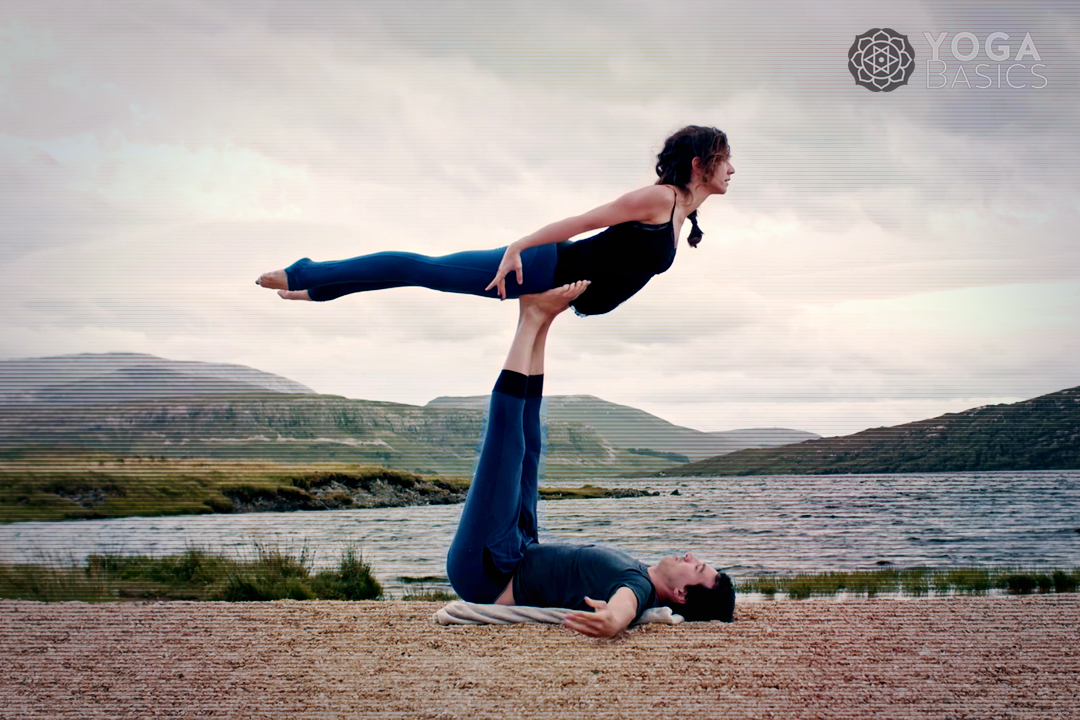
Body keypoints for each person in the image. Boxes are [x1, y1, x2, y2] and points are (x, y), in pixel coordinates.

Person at [446, 280, 735, 638]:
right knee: (529, 441)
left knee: (507, 443)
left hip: (488, 570)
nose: (690, 556)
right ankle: (537, 320)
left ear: (680, 594)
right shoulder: (640, 572)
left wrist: (614, 620)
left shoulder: (638, 587)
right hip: (517, 550)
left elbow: (624, 606)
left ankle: (532, 319)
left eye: (697, 568)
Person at [256, 125, 734, 317]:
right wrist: (517, 248)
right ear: (699, 164)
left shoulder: (683, 211)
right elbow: (581, 222)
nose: (732, 170)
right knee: (419, 268)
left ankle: (319, 289)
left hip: (546, 283)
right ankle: (305, 273)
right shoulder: (658, 199)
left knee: (419, 274)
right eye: (725, 159)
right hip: (538, 267)